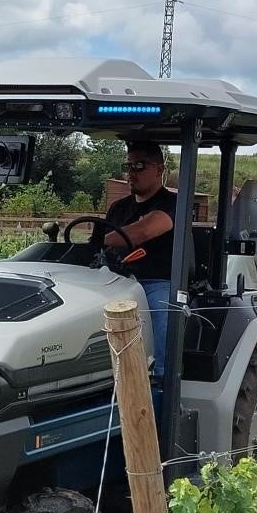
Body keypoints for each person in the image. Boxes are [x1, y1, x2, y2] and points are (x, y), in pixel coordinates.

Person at [102, 139, 177, 366]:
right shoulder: (119, 208)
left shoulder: (173, 203)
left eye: (139, 166)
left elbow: (144, 231)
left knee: (163, 309)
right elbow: (103, 246)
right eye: (129, 166)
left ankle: (163, 379)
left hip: (155, 281)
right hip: (114, 278)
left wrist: (101, 239)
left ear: (159, 170)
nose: (131, 173)